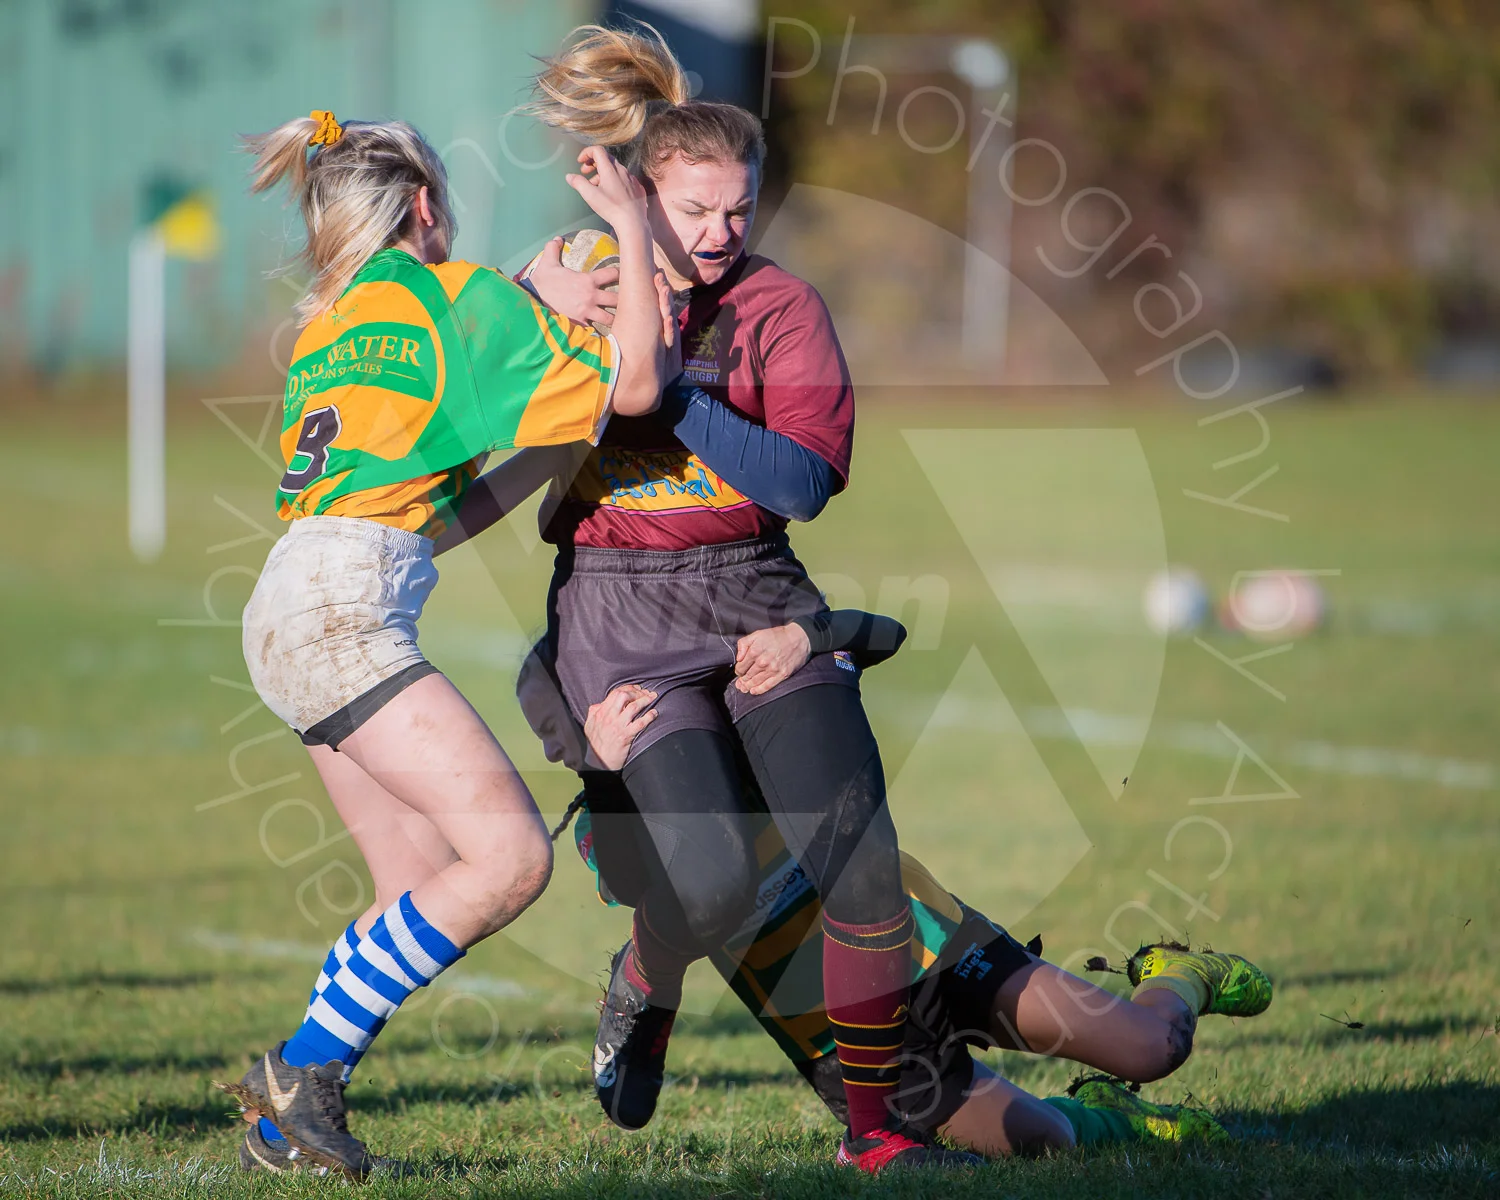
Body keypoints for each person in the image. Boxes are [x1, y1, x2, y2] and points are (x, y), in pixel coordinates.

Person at [508, 23, 974, 1171]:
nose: (719, 235)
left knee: (859, 863)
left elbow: (801, 481)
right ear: (643, 199)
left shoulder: (782, 309)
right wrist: (530, 289)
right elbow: (484, 399)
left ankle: (874, 1136)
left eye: (738, 210)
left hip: (758, 594)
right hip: (621, 616)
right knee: (712, 891)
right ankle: (644, 975)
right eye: (694, 211)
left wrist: (669, 399)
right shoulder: (576, 282)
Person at [218, 107, 675, 1178]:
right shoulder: (461, 295)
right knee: (510, 859)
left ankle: (290, 1091)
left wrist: (561, 425)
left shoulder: (331, 326)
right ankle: (304, 1075)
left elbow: (442, 511)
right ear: (427, 208)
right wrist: (631, 237)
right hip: (343, 613)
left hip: (290, 599)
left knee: (415, 876)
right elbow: (642, 383)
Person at [519, 648, 1273, 1160]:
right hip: (839, 1044)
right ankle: (1115, 1117)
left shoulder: (752, 729)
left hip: (926, 952)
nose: (556, 749)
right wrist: (604, 772)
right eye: (556, 741)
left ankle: (1179, 970)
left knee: (1153, 1047)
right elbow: (642, 887)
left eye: (562, 731)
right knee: (1050, 1144)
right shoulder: (605, 826)